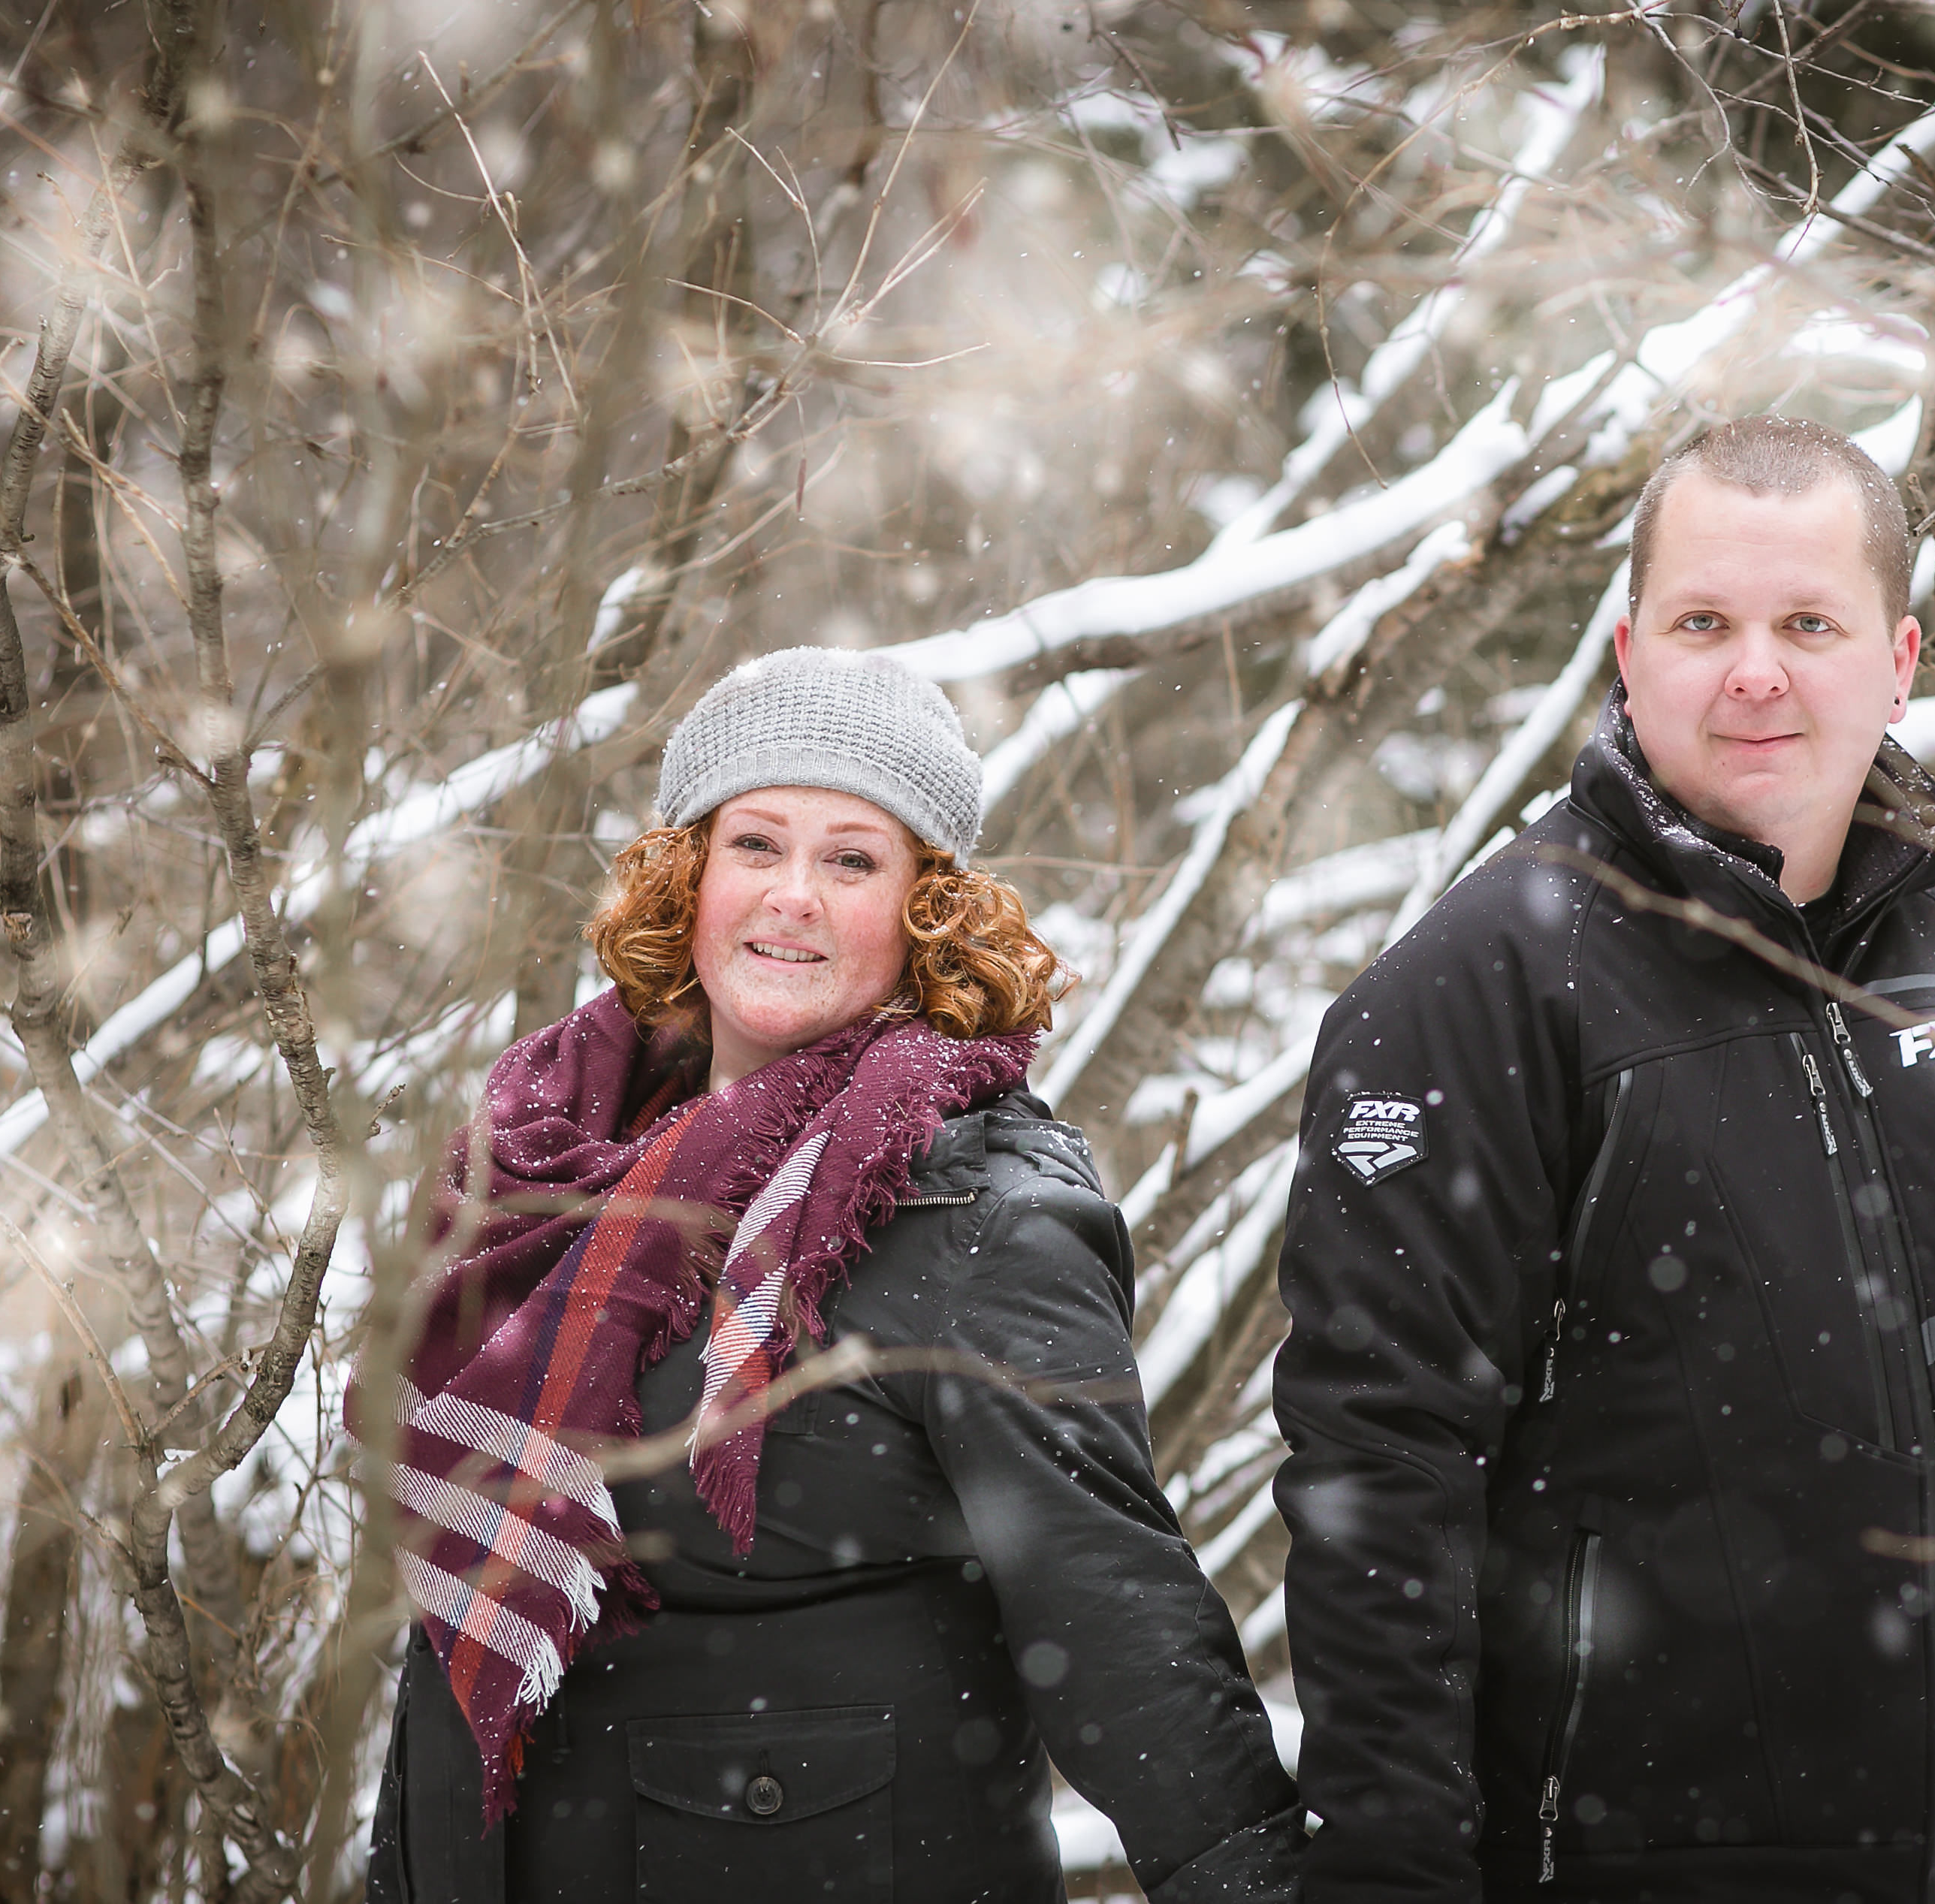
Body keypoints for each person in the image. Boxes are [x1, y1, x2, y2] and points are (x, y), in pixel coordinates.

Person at [1269, 418, 1935, 1903]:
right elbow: (1379, 1484)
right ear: (1626, 652)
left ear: (1899, 654)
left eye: (1808, 623)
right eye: (1702, 623)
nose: (1756, 671)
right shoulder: (1478, 988)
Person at [365, 646, 1301, 1902]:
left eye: (852, 858)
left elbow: (1110, 1607)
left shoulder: (974, 1211)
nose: (791, 896)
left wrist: (1255, 1878)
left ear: (927, 910)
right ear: (687, 877)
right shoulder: (541, 1163)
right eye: (755, 844)